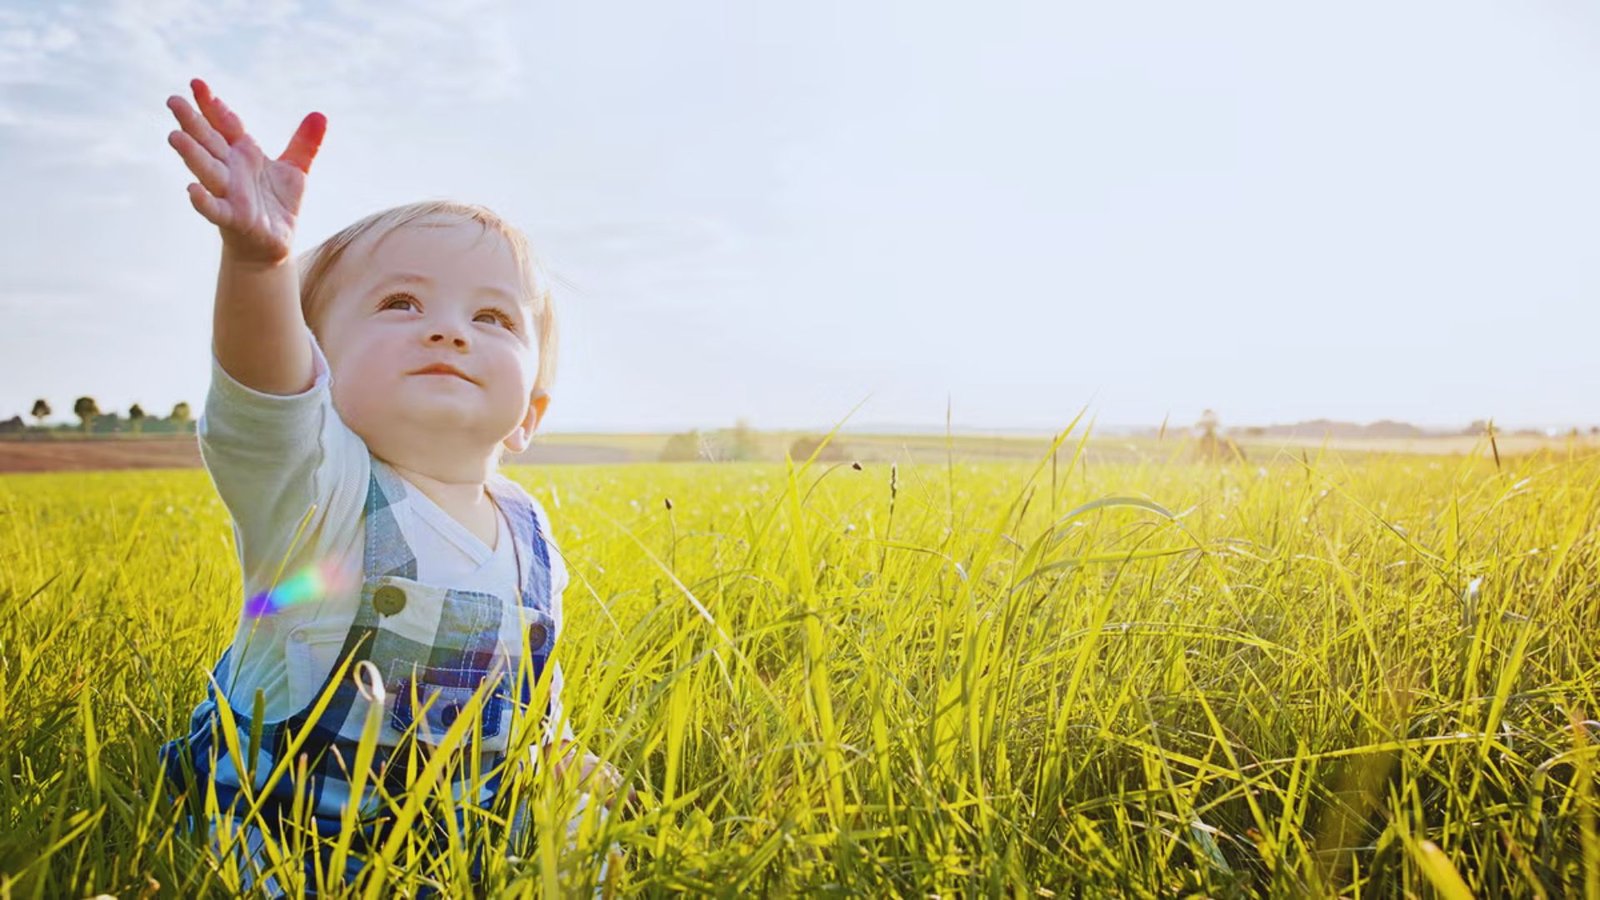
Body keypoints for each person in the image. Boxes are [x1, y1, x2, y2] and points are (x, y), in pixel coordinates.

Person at [154, 77, 624, 896]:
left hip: (452, 838)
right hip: (296, 845)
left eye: (492, 318)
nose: (448, 330)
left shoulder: (529, 533)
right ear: (317, 367)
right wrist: (260, 264)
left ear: (529, 415)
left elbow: (525, 694)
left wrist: (555, 750)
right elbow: (265, 398)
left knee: (589, 839)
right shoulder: (320, 493)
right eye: (402, 303)